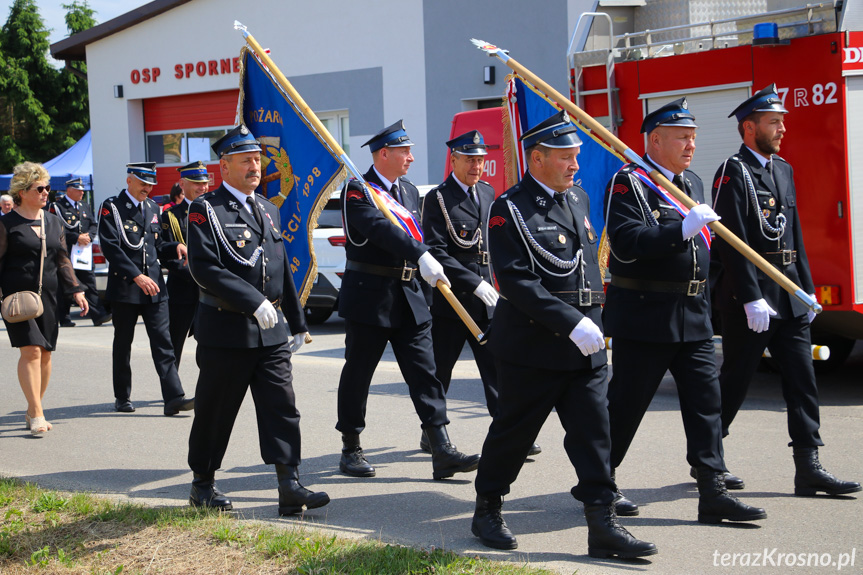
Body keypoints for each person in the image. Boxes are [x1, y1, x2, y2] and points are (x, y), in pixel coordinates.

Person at [471, 111, 655, 559]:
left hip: (585, 349)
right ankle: (488, 507)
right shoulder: (508, 209)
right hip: (534, 348)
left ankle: (602, 523)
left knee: (596, 435)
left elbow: (588, 270)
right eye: (566, 157)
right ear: (537, 159)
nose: (575, 164)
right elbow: (515, 281)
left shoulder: (578, 200)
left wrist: (595, 320)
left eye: (576, 156)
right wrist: (571, 321)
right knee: (513, 433)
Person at [603, 98, 767, 524]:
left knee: (705, 403)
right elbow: (626, 243)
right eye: (682, 137)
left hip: (691, 313)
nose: (691, 145)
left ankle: (712, 490)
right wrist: (680, 229)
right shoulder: (629, 183)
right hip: (645, 313)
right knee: (626, 405)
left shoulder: (691, 182)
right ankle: (601, 483)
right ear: (655, 140)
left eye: (694, 138)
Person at [711, 85, 860, 497]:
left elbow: (794, 236)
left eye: (782, 121)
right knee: (735, 381)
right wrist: (749, 296)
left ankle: (808, 466)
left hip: (788, 294)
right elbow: (730, 240)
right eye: (774, 122)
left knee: (802, 380)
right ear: (748, 128)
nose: (782, 129)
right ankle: (710, 460)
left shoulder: (783, 169)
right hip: (752, 300)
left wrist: (808, 291)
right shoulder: (733, 172)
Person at [185, 125, 328, 515]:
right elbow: (205, 268)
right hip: (226, 328)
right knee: (216, 410)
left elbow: (280, 269)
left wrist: (295, 321)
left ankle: (289, 485)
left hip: (271, 332)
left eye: (257, 158)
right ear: (224, 165)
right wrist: (253, 302)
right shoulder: (205, 210)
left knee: (282, 406)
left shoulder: (268, 208)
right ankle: (203, 485)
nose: (255, 165)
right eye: (245, 159)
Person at [337, 119, 479, 480]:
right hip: (371, 296)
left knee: (425, 374)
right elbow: (380, 229)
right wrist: (420, 253)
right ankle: (351, 446)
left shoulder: (410, 192)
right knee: (359, 373)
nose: (411, 158)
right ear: (383, 154)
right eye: (405, 151)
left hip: (410, 295)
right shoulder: (358, 190)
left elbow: (419, 236)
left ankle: (440, 445)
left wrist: (430, 273)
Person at [420, 131, 542, 457]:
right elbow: (436, 251)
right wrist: (471, 282)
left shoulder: (487, 192)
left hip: (487, 299)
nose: (477, 166)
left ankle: (510, 432)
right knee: (439, 371)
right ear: (454, 160)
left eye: (480, 159)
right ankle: (432, 430)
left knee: (497, 367)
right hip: (453, 301)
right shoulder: (438, 198)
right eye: (470, 159)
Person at [97, 162, 194, 416]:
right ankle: (122, 396)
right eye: (143, 184)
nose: (147, 189)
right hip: (126, 288)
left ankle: (174, 397)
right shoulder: (112, 208)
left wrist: (174, 247)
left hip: (155, 288)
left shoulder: (153, 208)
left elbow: (156, 244)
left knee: (164, 344)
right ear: (129, 180)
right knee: (123, 343)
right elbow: (111, 248)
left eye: (150, 184)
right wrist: (136, 276)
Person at [0, 162, 89, 435]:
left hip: (49, 296)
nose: (46, 192)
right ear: (23, 191)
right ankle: (37, 413)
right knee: (31, 350)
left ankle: (31, 407)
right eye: (40, 188)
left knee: (46, 353)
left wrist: (75, 289)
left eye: (48, 187)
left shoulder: (52, 221)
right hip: (18, 298)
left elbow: (62, 258)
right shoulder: (7, 224)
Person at [160, 161, 210, 367]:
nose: (203, 187)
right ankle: (172, 394)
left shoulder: (214, 211)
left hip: (211, 292)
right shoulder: (170, 215)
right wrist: (201, 274)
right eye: (196, 183)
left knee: (211, 346)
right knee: (173, 347)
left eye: (205, 183)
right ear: (182, 184)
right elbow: (167, 254)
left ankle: (210, 394)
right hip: (182, 291)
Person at [50, 178, 112, 328]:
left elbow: (93, 224)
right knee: (66, 283)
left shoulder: (84, 206)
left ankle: (98, 315)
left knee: (89, 282)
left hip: (83, 252)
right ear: (69, 190)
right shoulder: (58, 207)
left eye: (82, 189)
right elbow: (55, 229)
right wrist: (75, 237)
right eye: (78, 190)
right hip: (67, 251)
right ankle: (64, 317)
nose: (82, 192)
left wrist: (89, 237)